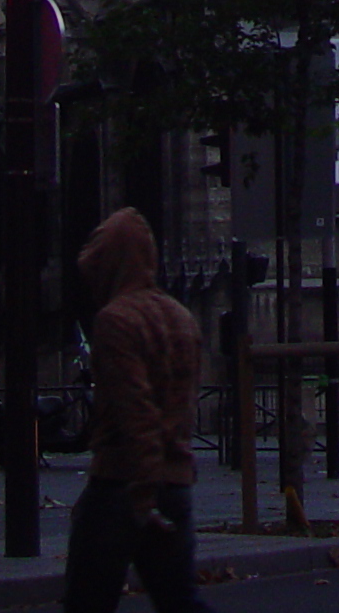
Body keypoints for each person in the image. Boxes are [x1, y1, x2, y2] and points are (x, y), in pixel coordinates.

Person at [65, 208, 207, 613]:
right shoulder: (182, 318)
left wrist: (143, 499)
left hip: (120, 486)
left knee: (87, 602)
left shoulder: (115, 322)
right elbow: (180, 411)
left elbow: (136, 413)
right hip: (176, 482)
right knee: (179, 601)